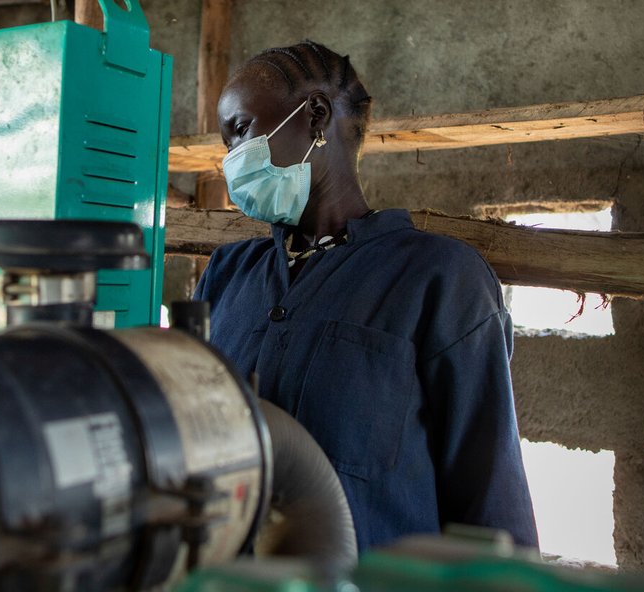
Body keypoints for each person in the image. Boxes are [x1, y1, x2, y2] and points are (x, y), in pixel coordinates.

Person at [193, 40, 538, 552]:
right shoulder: (228, 272)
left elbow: (488, 496)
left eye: (241, 130)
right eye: (228, 145)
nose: (232, 160)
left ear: (315, 116)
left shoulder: (438, 277)